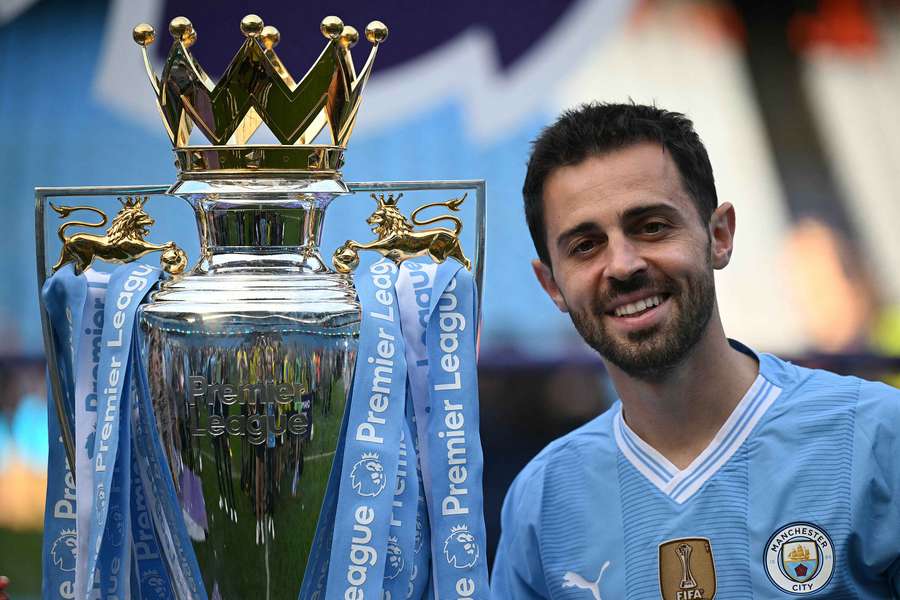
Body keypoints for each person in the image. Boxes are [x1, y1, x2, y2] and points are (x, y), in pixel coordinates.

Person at [490, 102, 900, 599]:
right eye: (585, 246)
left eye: (651, 227)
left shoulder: (879, 438)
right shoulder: (540, 501)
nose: (622, 265)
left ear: (719, 235)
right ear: (552, 284)